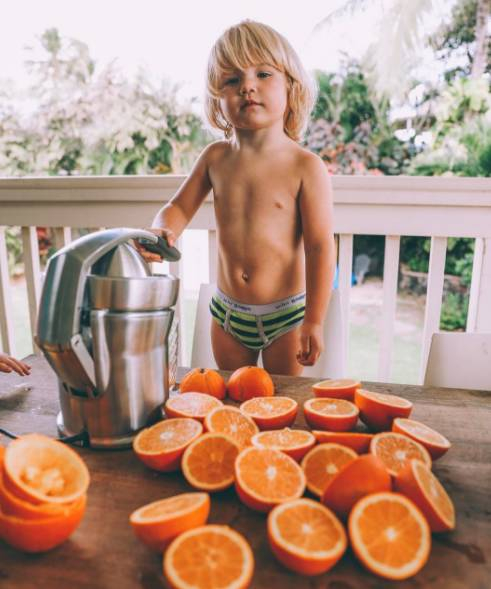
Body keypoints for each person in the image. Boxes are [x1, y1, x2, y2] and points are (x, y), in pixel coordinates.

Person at [137, 20, 336, 376]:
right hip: (228, 314)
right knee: (231, 396)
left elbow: (320, 247)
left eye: (263, 74)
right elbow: (178, 207)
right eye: (232, 80)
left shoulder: (305, 166)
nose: (247, 86)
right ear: (217, 97)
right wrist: (162, 230)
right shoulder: (216, 158)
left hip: (286, 317)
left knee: (279, 401)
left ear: (291, 87)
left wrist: (314, 321)